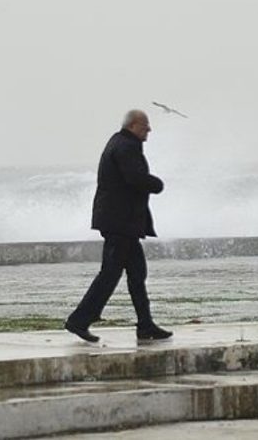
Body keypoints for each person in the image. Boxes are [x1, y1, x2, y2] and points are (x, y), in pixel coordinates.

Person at [65, 109, 173, 342]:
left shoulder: (119, 142)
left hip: (120, 223)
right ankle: (79, 320)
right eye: (145, 126)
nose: (149, 130)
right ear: (133, 125)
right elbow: (134, 177)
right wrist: (157, 184)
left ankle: (145, 325)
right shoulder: (127, 146)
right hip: (120, 223)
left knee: (136, 274)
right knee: (110, 274)